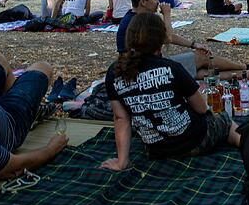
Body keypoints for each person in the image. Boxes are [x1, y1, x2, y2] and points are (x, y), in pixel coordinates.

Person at [101, 13, 241, 171]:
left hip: (156, 149)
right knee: (226, 121)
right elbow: (202, 108)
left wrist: (122, 162)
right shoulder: (171, 68)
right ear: (160, 40)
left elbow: (121, 119)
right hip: (194, 140)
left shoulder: (115, 72)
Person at [118, 0, 249, 80]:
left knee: (200, 73)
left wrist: (194, 44)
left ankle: (248, 74)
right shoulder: (137, 22)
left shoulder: (139, 17)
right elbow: (167, 38)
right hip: (147, 70)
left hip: (148, 66)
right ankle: (246, 67)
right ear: (143, 2)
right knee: (202, 58)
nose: (158, 2)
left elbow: (169, 36)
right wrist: (167, 15)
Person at [0, 52, 68, 180]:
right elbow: (11, 166)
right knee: (42, 69)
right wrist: (51, 149)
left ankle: (29, 109)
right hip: (9, 119)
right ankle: (27, 113)